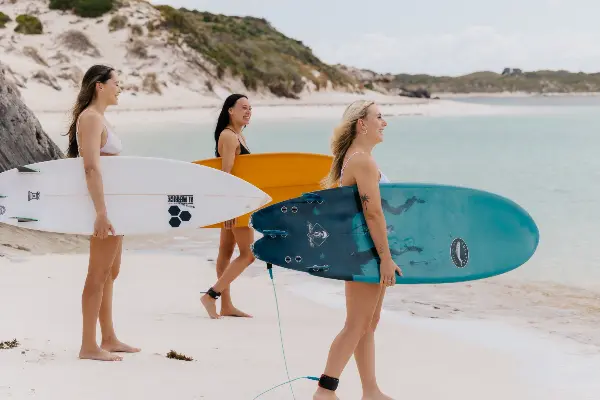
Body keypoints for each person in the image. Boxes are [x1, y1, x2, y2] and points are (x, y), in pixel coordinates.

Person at [313, 100, 402, 400]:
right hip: (365, 254)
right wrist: (386, 258)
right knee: (356, 324)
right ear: (361, 124)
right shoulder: (362, 161)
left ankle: (370, 390)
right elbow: (373, 213)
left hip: (363, 251)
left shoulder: (355, 158)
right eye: (379, 117)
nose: (384, 123)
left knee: (368, 323)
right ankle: (325, 391)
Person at [64, 64, 140, 361]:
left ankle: (108, 338)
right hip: (103, 207)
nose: (118, 88)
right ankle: (88, 345)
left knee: (111, 271)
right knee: (97, 273)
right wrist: (100, 212)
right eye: (115, 83)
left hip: (114, 206)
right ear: (100, 86)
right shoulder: (91, 119)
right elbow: (91, 166)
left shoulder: (98, 118)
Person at [200, 94, 255, 319]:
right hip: (234, 202)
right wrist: (229, 208)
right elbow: (226, 175)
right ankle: (212, 295)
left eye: (250, 108)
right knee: (248, 254)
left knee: (226, 251)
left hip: (234, 200)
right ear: (230, 110)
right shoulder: (229, 136)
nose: (248, 111)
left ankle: (226, 306)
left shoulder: (237, 135)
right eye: (243, 107)